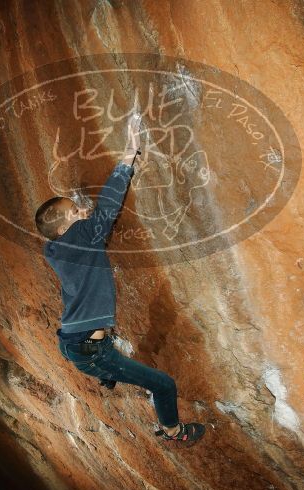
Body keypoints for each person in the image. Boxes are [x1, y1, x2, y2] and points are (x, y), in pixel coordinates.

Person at [35, 115, 206, 447]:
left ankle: (106, 376)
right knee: (164, 385)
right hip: (91, 352)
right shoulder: (81, 237)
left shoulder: (54, 249)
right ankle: (174, 432)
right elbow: (107, 208)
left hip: (72, 344)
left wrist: (77, 219)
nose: (82, 210)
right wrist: (130, 153)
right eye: (76, 210)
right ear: (66, 225)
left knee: (104, 359)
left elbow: (87, 224)